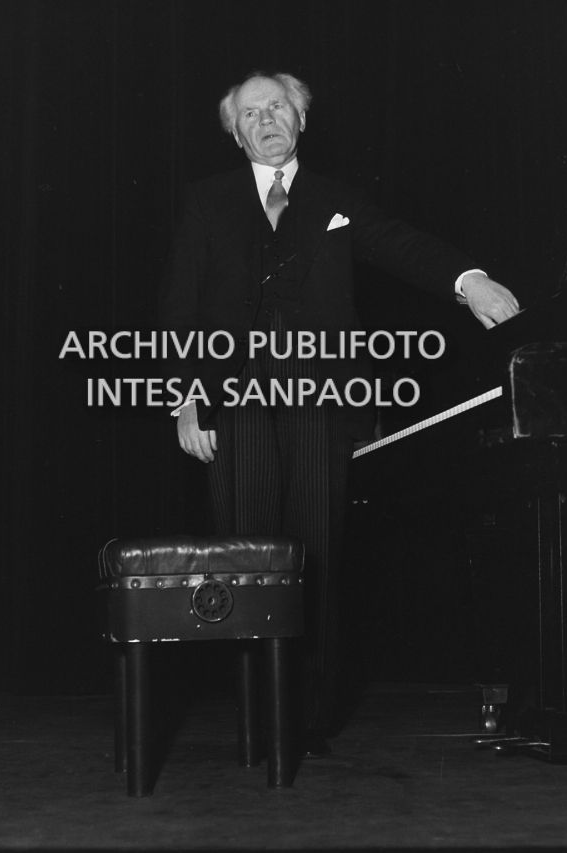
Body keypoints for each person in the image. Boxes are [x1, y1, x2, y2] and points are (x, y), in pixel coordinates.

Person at [159, 71, 519, 756]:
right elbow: (181, 305)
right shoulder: (205, 203)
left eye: (277, 108)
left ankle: (308, 715)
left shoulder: (333, 198)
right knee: (248, 555)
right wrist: (187, 395)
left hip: (321, 403)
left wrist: (468, 280)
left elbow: (401, 242)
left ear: (300, 120)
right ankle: (256, 716)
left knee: (315, 556)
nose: (266, 120)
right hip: (234, 402)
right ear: (237, 135)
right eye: (251, 114)